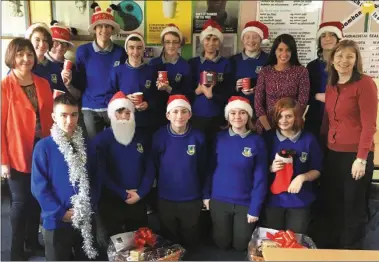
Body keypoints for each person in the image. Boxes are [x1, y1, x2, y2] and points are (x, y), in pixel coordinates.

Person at [320, 40, 377, 249]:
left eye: (349, 57)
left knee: (352, 207)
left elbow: (369, 125)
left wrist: (361, 158)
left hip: (355, 156)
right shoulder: (332, 86)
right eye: (340, 56)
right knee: (334, 204)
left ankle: (351, 251)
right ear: (332, 59)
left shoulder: (365, 84)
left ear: (356, 60)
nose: (344, 60)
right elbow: (328, 120)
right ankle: (333, 249)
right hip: (333, 153)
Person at [1, 38, 53, 260]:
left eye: (29, 54)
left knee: (36, 199)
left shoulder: (42, 83)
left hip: (42, 150)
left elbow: (50, 117)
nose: (25, 59)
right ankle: (15, 249)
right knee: (20, 203)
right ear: (12, 57)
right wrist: (3, 160)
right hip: (17, 151)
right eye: (20, 54)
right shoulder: (4, 86)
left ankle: (32, 242)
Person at [31, 94, 99, 261]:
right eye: (64, 115)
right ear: (54, 117)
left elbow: (97, 178)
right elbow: (39, 187)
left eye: (74, 115)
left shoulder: (86, 145)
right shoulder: (43, 147)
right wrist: (61, 212)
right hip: (56, 220)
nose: (69, 121)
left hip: (84, 217)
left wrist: (89, 204)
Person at [203, 96, 268, 251]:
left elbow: (261, 178)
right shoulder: (219, 138)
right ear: (227, 116)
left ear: (248, 116)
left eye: (242, 113)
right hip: (219, 200)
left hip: (245, 203)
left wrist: (255, 208)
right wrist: (206, 195)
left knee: (241, 246)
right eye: (233, 113)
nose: (237, 117)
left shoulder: (257, 141)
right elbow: (209, 169)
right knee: (221, 243)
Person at [92, 91, 154, 246]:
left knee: (141, 244)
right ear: (112, 115)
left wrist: (141, 192)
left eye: (128, 112)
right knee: (115, 245)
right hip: (112, 200)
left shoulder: (142, 137)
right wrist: (122, 193)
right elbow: (101, 172)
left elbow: (150, 167)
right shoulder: (100, 140)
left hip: (138, 198)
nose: (124, 117)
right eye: (119, 113)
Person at [150, 95, 206, 246]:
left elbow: (203, 167)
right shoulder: (159, 136)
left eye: (184, 111)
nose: (179, 116)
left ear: (190, 114)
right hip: (166, 197)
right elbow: (154, 164)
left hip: (191, 197)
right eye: (175, 112)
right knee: (169, 240)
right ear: (168, 115)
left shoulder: (198, 137)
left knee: (190, 239)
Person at [263, 97, 323, 234]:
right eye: (280, 116)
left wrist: (302, 177)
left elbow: (318, 169)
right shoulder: (268, 139)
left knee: (295, 240)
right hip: (274, 200)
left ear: (296, 117)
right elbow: (256, 168)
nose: (283, 120)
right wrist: (270, 168)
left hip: (300, 200)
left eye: (288, 116)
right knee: (273, 240)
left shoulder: (309, 139)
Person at [75, 2, 127, 138]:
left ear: (112, 29)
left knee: (117, 144)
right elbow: (79, 80)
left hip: (113, 106)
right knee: (94, 146)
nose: (104, 30)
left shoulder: (120, 52)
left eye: (108, 26)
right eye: (100, 26)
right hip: (90, 107)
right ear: (95, 29)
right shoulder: (82, 51)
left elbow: (123, 79)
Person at [254, 34, 310, 134]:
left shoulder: (301, 71)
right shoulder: (265, 71)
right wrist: (268, 128)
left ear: (293, 52)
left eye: (288, 50)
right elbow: (258, 103)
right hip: (267, 125)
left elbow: (302, 102)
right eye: (280, 49)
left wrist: (288, 126)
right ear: (274, 51)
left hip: (290, 126)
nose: (284, 54)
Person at [108, 33, 158, 142]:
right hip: (123, 122)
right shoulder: (117, 71)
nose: (135, 52)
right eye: (131, 47)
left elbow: (157, 97)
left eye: (139, 48)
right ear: (126, 50)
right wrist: (124, 98)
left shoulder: (151, 71)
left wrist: (148, 104)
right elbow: (110, 96)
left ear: (143, 50)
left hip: (145, 122)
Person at [188, 19, 232, 143]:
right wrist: (197, 91)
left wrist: (212, 95)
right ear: (202, 41)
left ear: (219, 43)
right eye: (207, 39)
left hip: (218, 116)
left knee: (215, 150)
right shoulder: (193, 63)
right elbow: (185, 90)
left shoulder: (226, 63)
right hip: (196, 115)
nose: (211, 43)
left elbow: (229, 91)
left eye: (215, 40)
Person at [149, 24, 193, 127]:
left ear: (180, 44)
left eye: (175, 42)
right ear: (162, 43)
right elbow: (148, 91)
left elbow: (188, 94)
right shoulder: (153, 63)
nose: (171, 45)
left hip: (177, 115)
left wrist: (169, 89)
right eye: (167, 42)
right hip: (156, 112)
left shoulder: (185, 66)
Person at [304, 22, 343, 138]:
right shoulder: (312, 66)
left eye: (332, 35)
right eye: (323, 36)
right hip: (315, 119)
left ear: (338, 39)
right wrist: (317, 96)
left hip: (340, 119)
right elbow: (305, 94)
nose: (327, 39)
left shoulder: (346, 65)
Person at [230, 21, 269, 113]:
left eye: (255, 37)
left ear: (261, 40)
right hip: (238, 110)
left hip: (262, 110)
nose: (251, 41)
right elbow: (226, 86)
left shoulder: (269, 60)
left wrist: (258, 89)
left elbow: (273, 86)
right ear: (243, 40)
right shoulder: (233, 60)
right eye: (247, 37)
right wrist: (235, 87)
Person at [25, 22, 71, 95]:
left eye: (45, 40)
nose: (42, 44)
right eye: (37, 40)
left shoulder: (54, 67)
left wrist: (67, 84)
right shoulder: (21, 66)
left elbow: (62, 94)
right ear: (29, 41)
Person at [44, 20, 81, 100]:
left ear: (67, 47)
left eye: (64, 44)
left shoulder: (71, 67)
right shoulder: (39, 63)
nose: (60, 47)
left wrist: (68, 85)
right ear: (49, 43)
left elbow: (78, 96)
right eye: (56, 43)